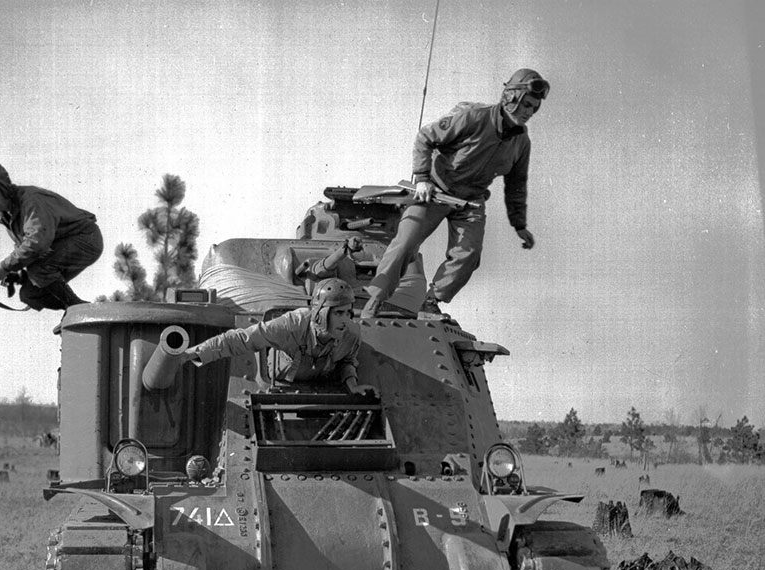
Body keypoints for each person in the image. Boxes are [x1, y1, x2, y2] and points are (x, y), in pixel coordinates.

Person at [361, 69, 549, 320]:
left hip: (470, 202)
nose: (529, 112)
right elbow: (425, 137)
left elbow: (517, 185)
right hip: (435, 191)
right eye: (526, 104)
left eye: (534, 108)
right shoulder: (474, 118)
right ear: (511, 97)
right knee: (406, 242)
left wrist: (519, 224)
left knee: (468, 255)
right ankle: (375, 300)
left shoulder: (521, 142)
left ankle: (431, 302)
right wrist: (423, 179)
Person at [182, 278, 378, 396]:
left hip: (316, 387)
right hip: (280, 382)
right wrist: (193, 353)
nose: (345, 320)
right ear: (320, 313)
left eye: (347, 313)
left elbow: (347, 361)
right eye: (338, 313)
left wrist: (352, 384)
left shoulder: (351, 334)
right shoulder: (293, 324)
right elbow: (242, 339)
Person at [0, 161, 103, 310]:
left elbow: (36, 244)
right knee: (30, 293)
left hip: (85, 238)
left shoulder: (30, 200)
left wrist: (5, 267)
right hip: (62, 245)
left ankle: (78, 310)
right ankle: (79, 312)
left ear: (4, 187)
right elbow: (26, 249)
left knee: (40, 269)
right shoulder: (8, 214)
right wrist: (18, 274)